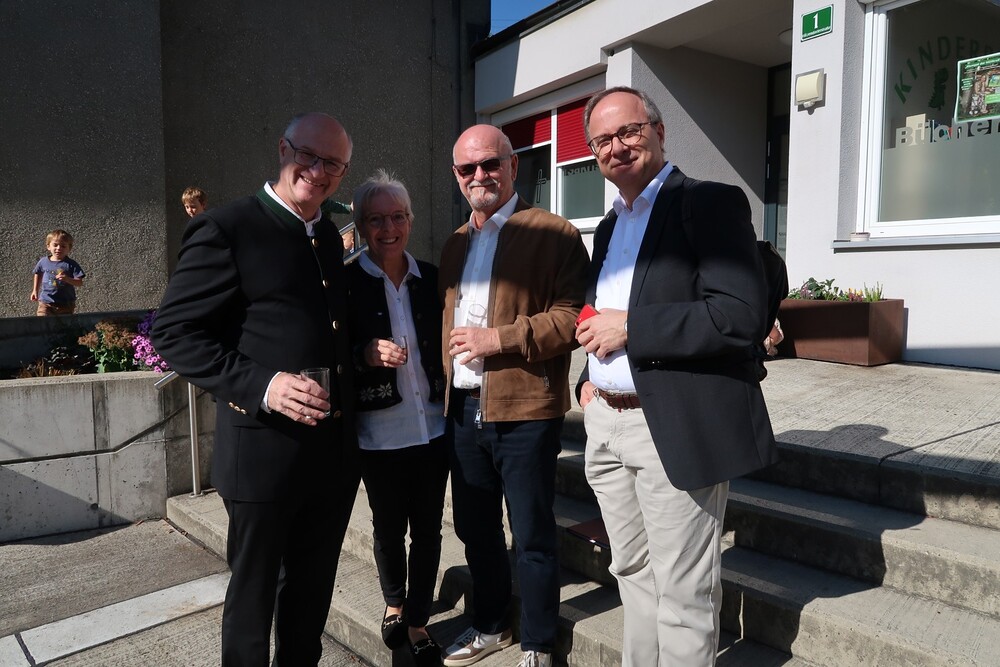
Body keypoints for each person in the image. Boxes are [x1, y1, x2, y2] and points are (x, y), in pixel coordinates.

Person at [574, 86, 779, 666]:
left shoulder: (709, 203)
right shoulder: (608, 227)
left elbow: (738, 315)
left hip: (671, 425)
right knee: (631, 573)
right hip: (605, 423)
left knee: (684, 594)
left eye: (629, 131)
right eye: (602, 140)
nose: (617, 147)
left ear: (659, 132)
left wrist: (633, 328)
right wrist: (587, 380)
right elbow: (599, 313)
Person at [151, 112, 359, 666]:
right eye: (308, 156)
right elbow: (174, 332)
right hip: (262, 456)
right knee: (253, 600)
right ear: (283, 149)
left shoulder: (327, 235)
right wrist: (263, 384)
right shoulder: (228, 227)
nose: (318, 171)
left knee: (310, 598)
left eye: (333, 164)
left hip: (330, 458)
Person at [439, 125, 589, 667]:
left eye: (490, 164)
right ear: (456, 176)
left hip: (525, 409)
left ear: (513, 166)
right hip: (463, 410)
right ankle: (490, 625)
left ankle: (538, 643)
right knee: (476, 530)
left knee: (531, 533)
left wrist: (498, 339)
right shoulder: (455, 242)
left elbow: (573, 319)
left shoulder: (555, 233)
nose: (480, 175)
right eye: (468, 168)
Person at [346, 170, 448, 667]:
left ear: (410, 220)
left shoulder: (431, 277)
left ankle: (418, 619)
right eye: (377, 219)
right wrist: (364, 353)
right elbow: (329, 352)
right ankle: (393, 602)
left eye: (398, 217)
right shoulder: (346, 283)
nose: (389, 228)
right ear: (362, 225)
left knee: (428, 531)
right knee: (388, 528)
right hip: (379, 432)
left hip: (434, 427)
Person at [30, 229, 85, 316]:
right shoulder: (43, 262)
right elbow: (38, 273)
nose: (59, 248)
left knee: (64, 324)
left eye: (63, 246)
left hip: (65, 304)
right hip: (46, 302)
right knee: (42, 321)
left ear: (69, 248)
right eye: (55, 245)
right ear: (48, 246)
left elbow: (79, 282)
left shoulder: (71, 264)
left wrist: (67, 279)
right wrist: (35, 291)